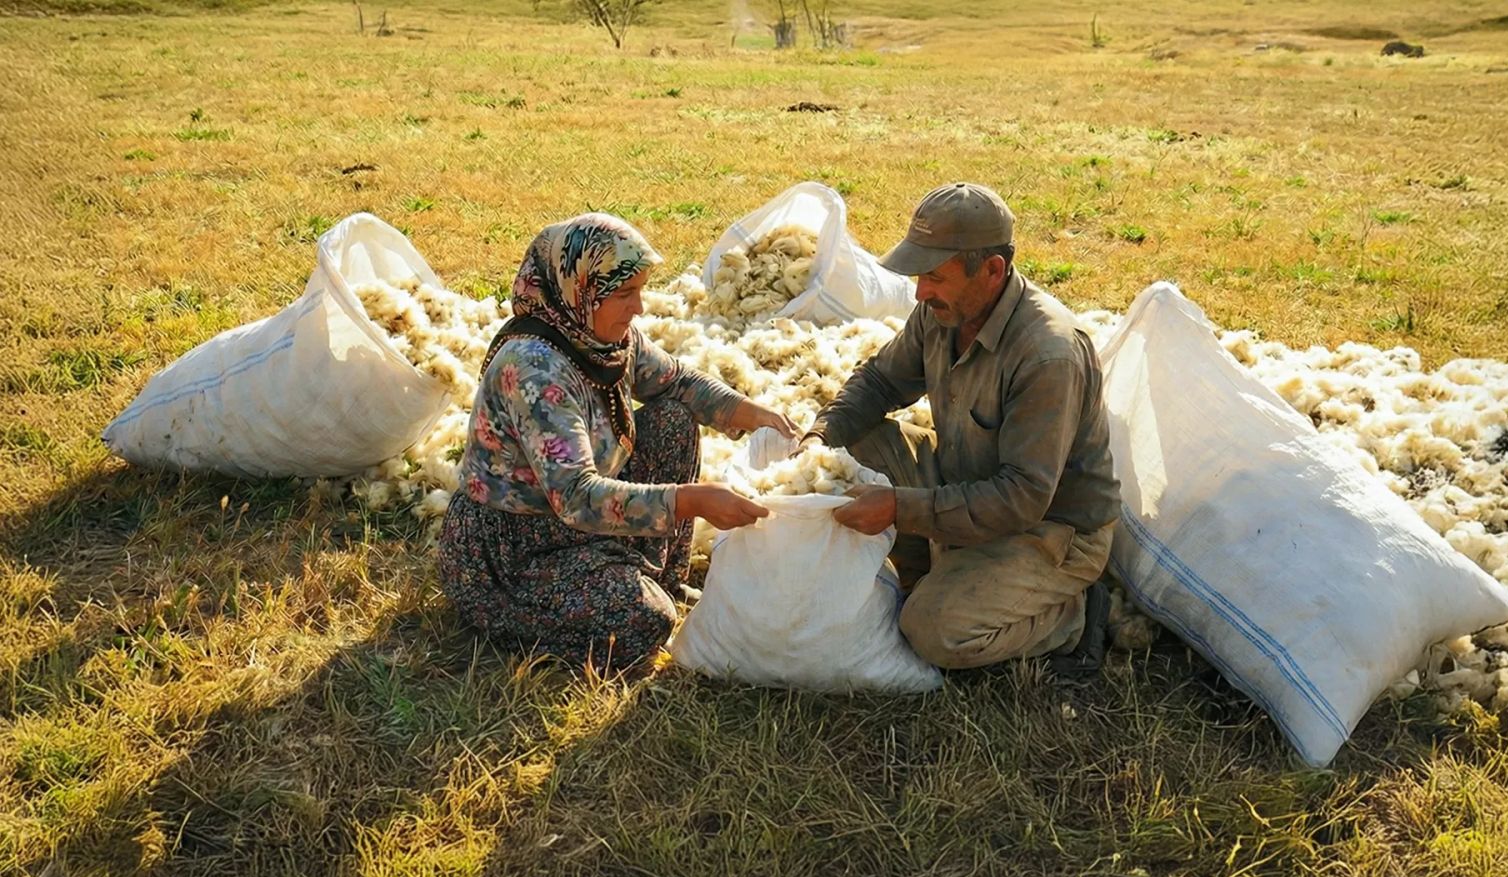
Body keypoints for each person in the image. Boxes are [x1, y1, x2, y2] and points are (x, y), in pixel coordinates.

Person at [438, 213, 794, 670]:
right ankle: (530, 612)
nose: (639, 307)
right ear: (581, 291)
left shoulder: (603, 338)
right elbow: (576, 496)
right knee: (642, 620)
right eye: (625, 294)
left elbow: (676, 382)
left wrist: (753, 414)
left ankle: (658, 578)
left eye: (639, 290)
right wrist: (691, 501)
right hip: (518, 550)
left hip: (580, 519)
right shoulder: (535, 370)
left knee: (672, 420)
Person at [801, 183, 1120, 677]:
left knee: (933, 630)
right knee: (853, 443)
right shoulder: (943, 311)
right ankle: (941, 565)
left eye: (934, 276)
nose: (919, 292)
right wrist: (819, 438)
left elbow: (1022, 499)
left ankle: (1074, 616)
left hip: (1048, 528)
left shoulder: (1047, 355)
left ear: (992, 270)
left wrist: (899, 508)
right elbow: (882, 381)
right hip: (965, 478)